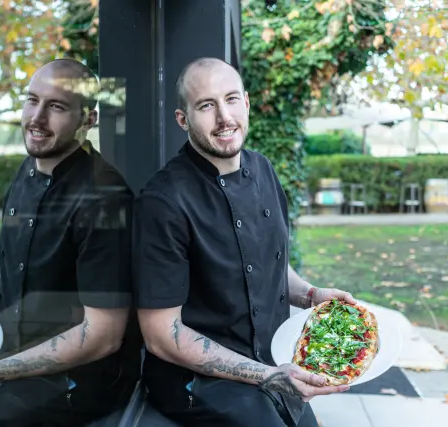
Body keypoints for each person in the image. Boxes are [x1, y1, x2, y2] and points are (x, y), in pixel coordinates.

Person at [131, 57, 356, 427]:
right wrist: (265, 376)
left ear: (247, 103)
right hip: (197, 383)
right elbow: (161, 335)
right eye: (206, 105)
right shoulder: (162, 202)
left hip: (272, 365)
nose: (224, 118)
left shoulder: (263, 170)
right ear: (182, 119)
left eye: (231, 99)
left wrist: (311, 294)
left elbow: (269, 264)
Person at [0, 59, 142, 427]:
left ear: (89, 118)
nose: (36, 118)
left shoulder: (105, 198)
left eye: (56, 106)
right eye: (31, 100)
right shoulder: (28, 169)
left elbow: (104, 335)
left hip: (74, 388)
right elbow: (33, 269)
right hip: (10, 369)